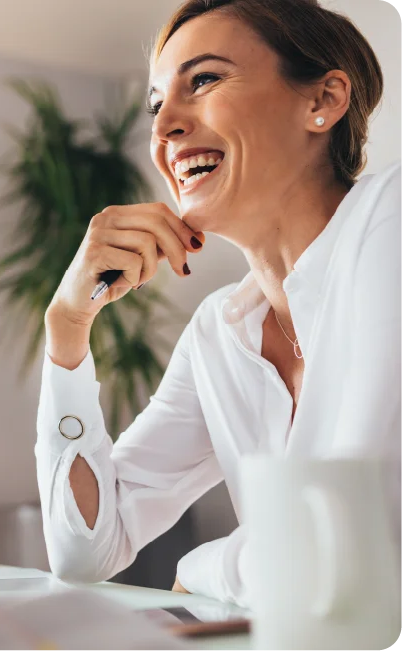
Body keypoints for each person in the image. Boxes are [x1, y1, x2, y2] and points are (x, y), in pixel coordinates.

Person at [35, 0, 402, 606]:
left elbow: (360, 540)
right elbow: (84, 552)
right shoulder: (220, 333)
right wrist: (67, 325)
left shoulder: (390, 217)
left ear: (323, 101)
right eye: (156, 105)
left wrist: (201, 569)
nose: (163, 128)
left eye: (203, 79)